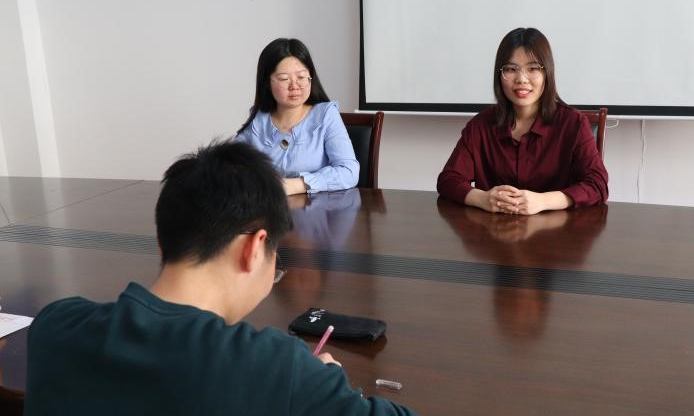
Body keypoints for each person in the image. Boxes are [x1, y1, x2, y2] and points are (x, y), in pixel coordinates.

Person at [24, 141, 417, 416]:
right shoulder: (278, 369)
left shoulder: (55, 327)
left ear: (163, 243)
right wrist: (324, 387)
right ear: (254, 248)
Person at [437, 27, 608, 215]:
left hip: (557, 231)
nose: (521, 79)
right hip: (494, 230)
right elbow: (449, 180)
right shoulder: (480, 126)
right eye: (511, 69)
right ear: (499, 74)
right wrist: (483, 198)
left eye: (533, 68)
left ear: (547, 73)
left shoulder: (573, 124)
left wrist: (543, 201)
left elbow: (597, 184)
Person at [236, 38, 359, 195]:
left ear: (310, 78)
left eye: (301, 77)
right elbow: (230, 165)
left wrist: (296, 185)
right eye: (284, 79)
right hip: (269, 207)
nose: (294, 86)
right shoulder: (259, 119)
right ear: (267, 82)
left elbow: (349, 171)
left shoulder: (326, 115)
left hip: (316, 208)